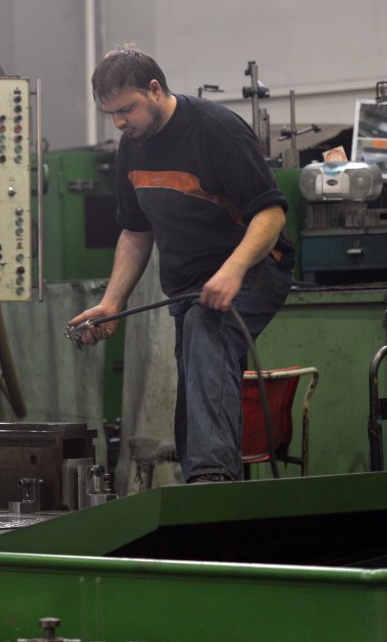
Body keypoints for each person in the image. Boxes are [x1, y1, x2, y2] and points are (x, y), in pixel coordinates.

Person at [68, 44, 294, 483]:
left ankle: (212, 480)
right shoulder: (131, 148)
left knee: (206, 330)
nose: (119, 123)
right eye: (111, 114)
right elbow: (136, 233)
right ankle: (204, 484)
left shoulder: (216, 131)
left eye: (127, 110)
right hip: (190, 286)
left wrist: (231, 271)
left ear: (155, 89)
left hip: (256, 268)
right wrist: (112, 303)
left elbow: (271, 215)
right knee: (196, 379)